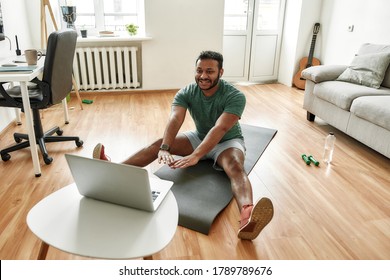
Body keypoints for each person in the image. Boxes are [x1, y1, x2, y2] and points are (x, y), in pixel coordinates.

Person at [93, 51, 273, 240]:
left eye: (210, 71)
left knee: (235, 167)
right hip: (198, 136)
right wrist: (165, 146)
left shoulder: (235, 95)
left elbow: (220, 128)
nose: (203, 76)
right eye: (199, 70)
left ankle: (248, 216)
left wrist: (196, 155)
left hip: (227, 141)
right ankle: (111, 170)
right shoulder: (187, 91)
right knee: (156, 146)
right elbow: (175, 118)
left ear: (221, 72)